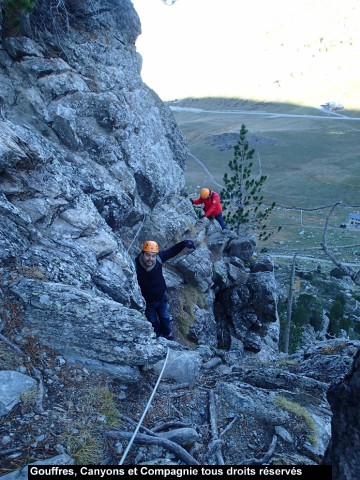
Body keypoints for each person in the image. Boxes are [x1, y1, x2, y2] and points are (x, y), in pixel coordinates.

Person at [134, 239, 196, 340]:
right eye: (148, 255)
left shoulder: (159, 258)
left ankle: (168, 335)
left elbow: (172, 251)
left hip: (162, 298)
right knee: (153, 322)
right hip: (148, 303)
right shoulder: (135, 265)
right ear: (143, 253)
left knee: (165, 318)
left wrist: (184, 243)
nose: (150, 258)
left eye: (153, 256)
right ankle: (159, 337)